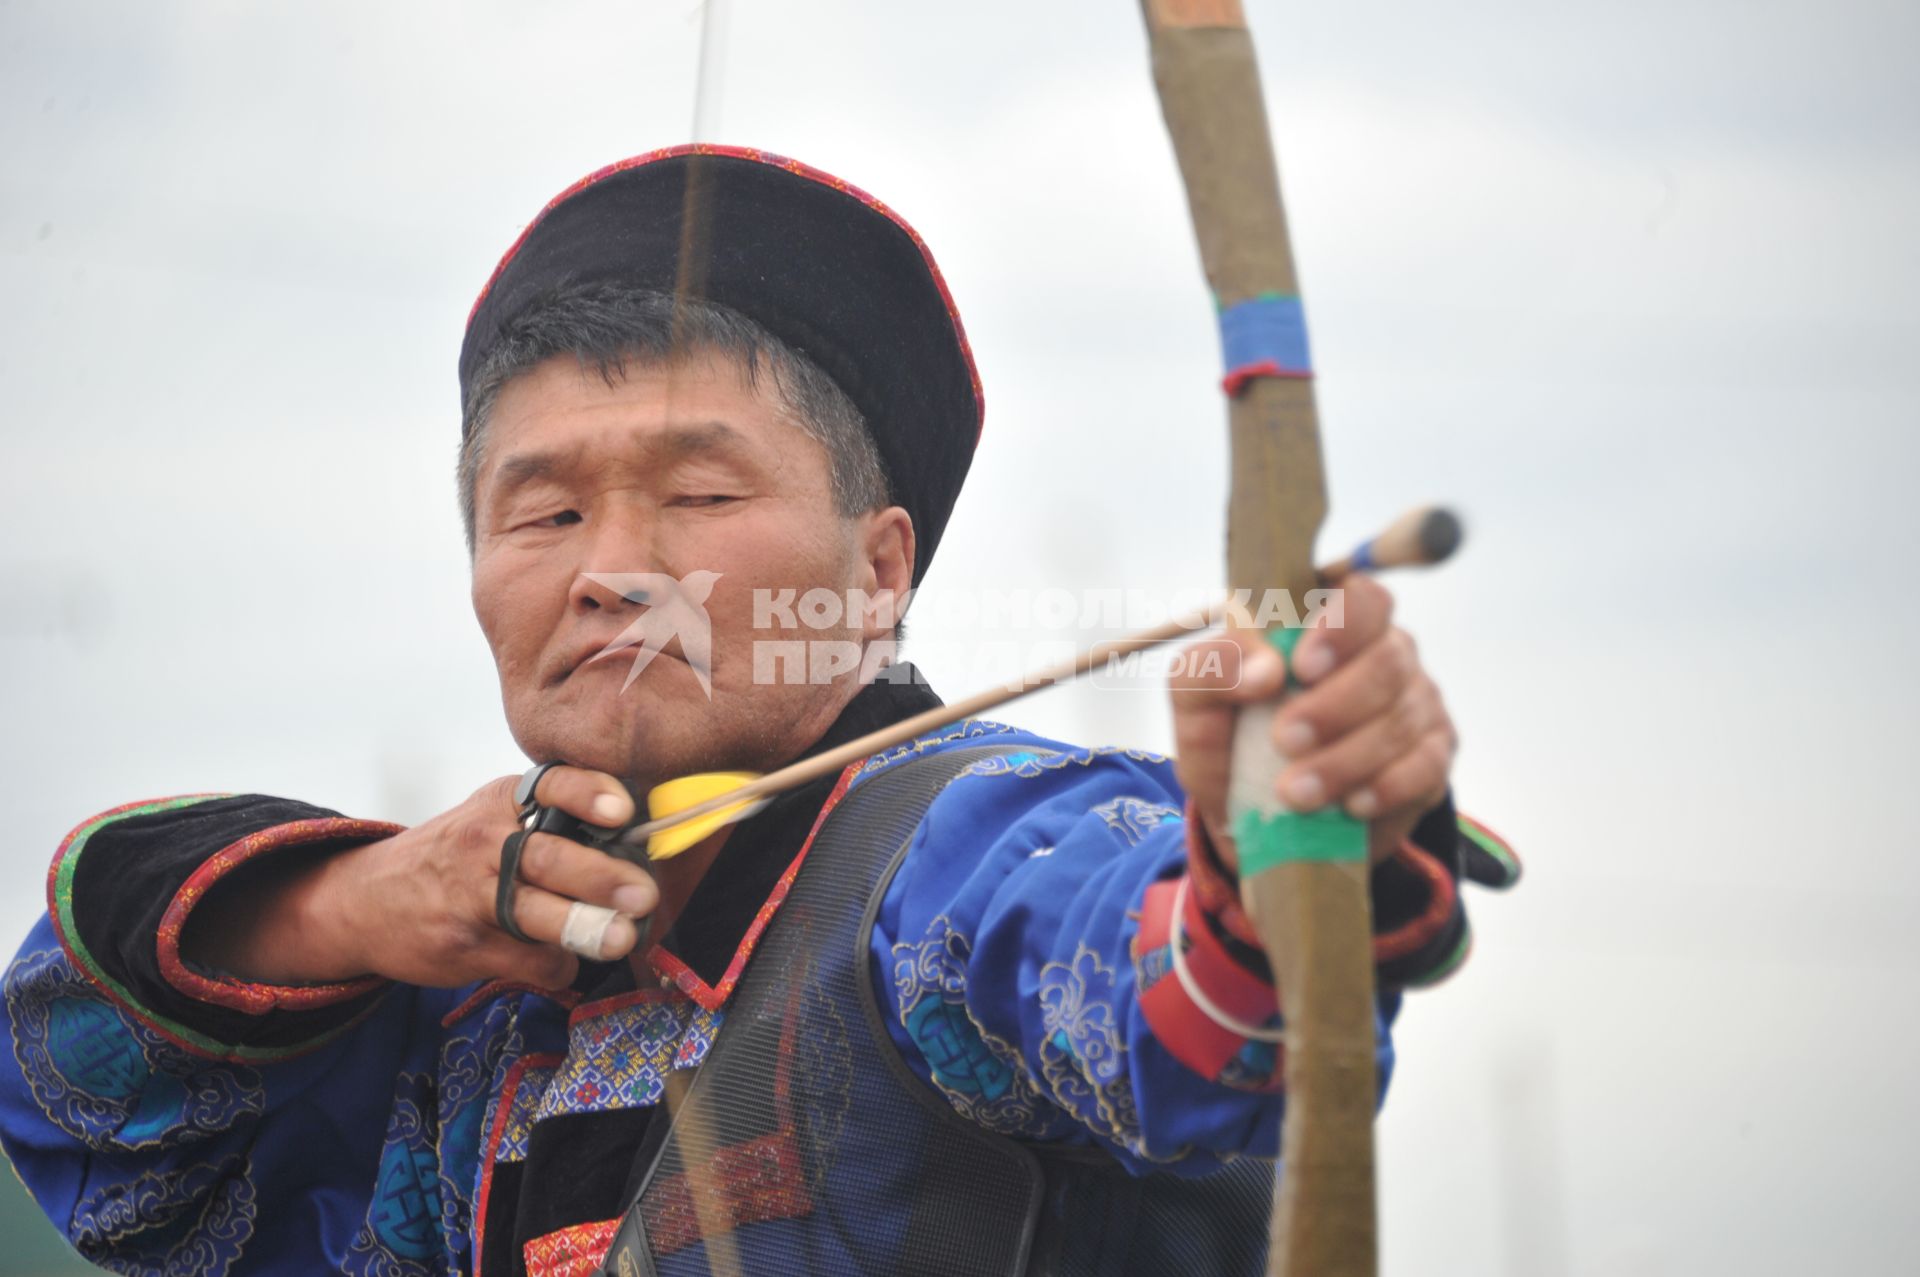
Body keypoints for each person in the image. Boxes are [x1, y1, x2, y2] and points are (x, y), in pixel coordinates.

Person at [0, 146, 1519, 1277]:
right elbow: (81, 1118)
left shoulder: (952, 852)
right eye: (540, 516)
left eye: (701, 492)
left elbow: (1189, 1011)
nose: (610, 573)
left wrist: (1283, 843)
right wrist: (349, 905)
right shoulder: (462, 997)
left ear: (876, 571)